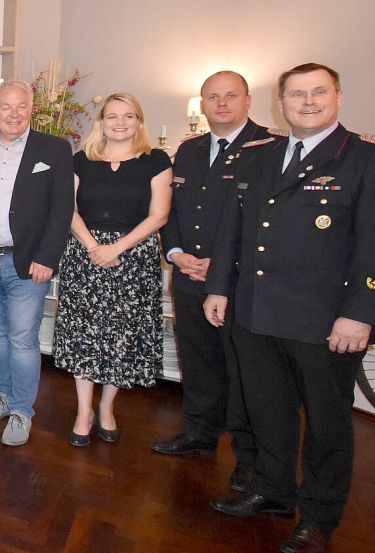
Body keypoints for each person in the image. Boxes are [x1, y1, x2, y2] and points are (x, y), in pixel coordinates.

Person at [204, 63, 375, 553]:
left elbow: (371, 244)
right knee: (267, 409)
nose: (308, 102)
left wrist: (360, 311)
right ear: (281, 103)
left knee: (326, 423)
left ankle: (320, 517)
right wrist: (220, 287)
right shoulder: (261, 157)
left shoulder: (362, 159)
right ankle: (274, 490)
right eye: (296, 94)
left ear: (338, 96)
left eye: (318, 92)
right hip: (256, 310)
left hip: (325, 320)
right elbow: (231, 232)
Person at [153, 71, 272, 493]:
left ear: (247, 100)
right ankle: (200, 433)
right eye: (212, 97)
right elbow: (173, 212)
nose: (221, 104)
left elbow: (262, 223)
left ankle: (249, 458)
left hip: (238, 283)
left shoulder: (269, 148)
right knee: (198, 361)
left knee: (243, 372)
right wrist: (177, 253)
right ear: (202, 104)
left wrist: (219, 263)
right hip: (187, 275)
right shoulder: (188, 149)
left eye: (230, 96)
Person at [53, 93, 172, 447]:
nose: (120, 122)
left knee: (121, 338)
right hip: (84, 255)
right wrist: (93, 247)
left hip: (133, 259)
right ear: (100, 122)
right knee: (84, 335)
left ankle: (107, 407)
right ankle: (83, 411)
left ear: (139, 121)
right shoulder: (81, 161)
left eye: (128, 116)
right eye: (112, 116)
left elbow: (159, 215)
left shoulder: (156, 160)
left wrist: (117, 248)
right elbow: (67, 208)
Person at [0, 79, 74, 447]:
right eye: (6, 107)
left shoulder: (55, 149)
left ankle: (22, 411)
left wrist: (48, 257)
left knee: (23, 338)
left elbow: (62, 210)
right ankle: (3, 396)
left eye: (21, 106)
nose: (14, 114)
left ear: (31, 109)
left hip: (28, 264)